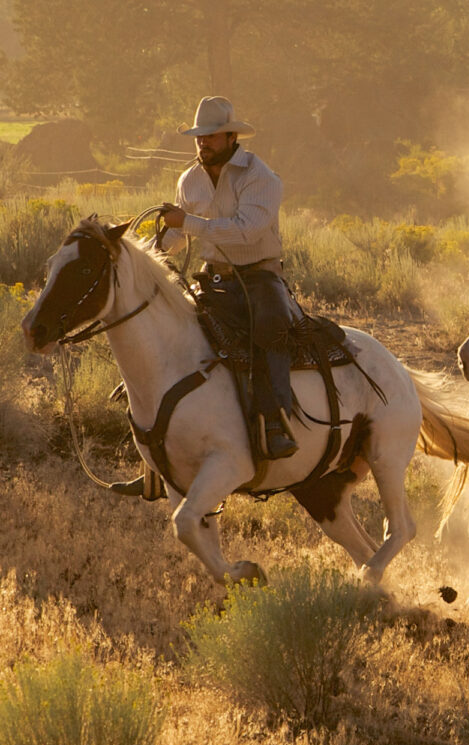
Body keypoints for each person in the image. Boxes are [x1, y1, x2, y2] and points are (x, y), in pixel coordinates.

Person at [112, 96, 297, 499]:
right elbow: (179, 238)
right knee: (162, 338)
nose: (203, 144)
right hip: (213, 280)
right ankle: (155, 462)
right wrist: (159, 243)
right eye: (199, 137)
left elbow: (246, 230)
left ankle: (275, 421)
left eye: (210, 136)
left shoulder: (261, 177)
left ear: (232, 136)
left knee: (269, 331)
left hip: (259, 277)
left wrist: (189, 223)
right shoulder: (189, 180)